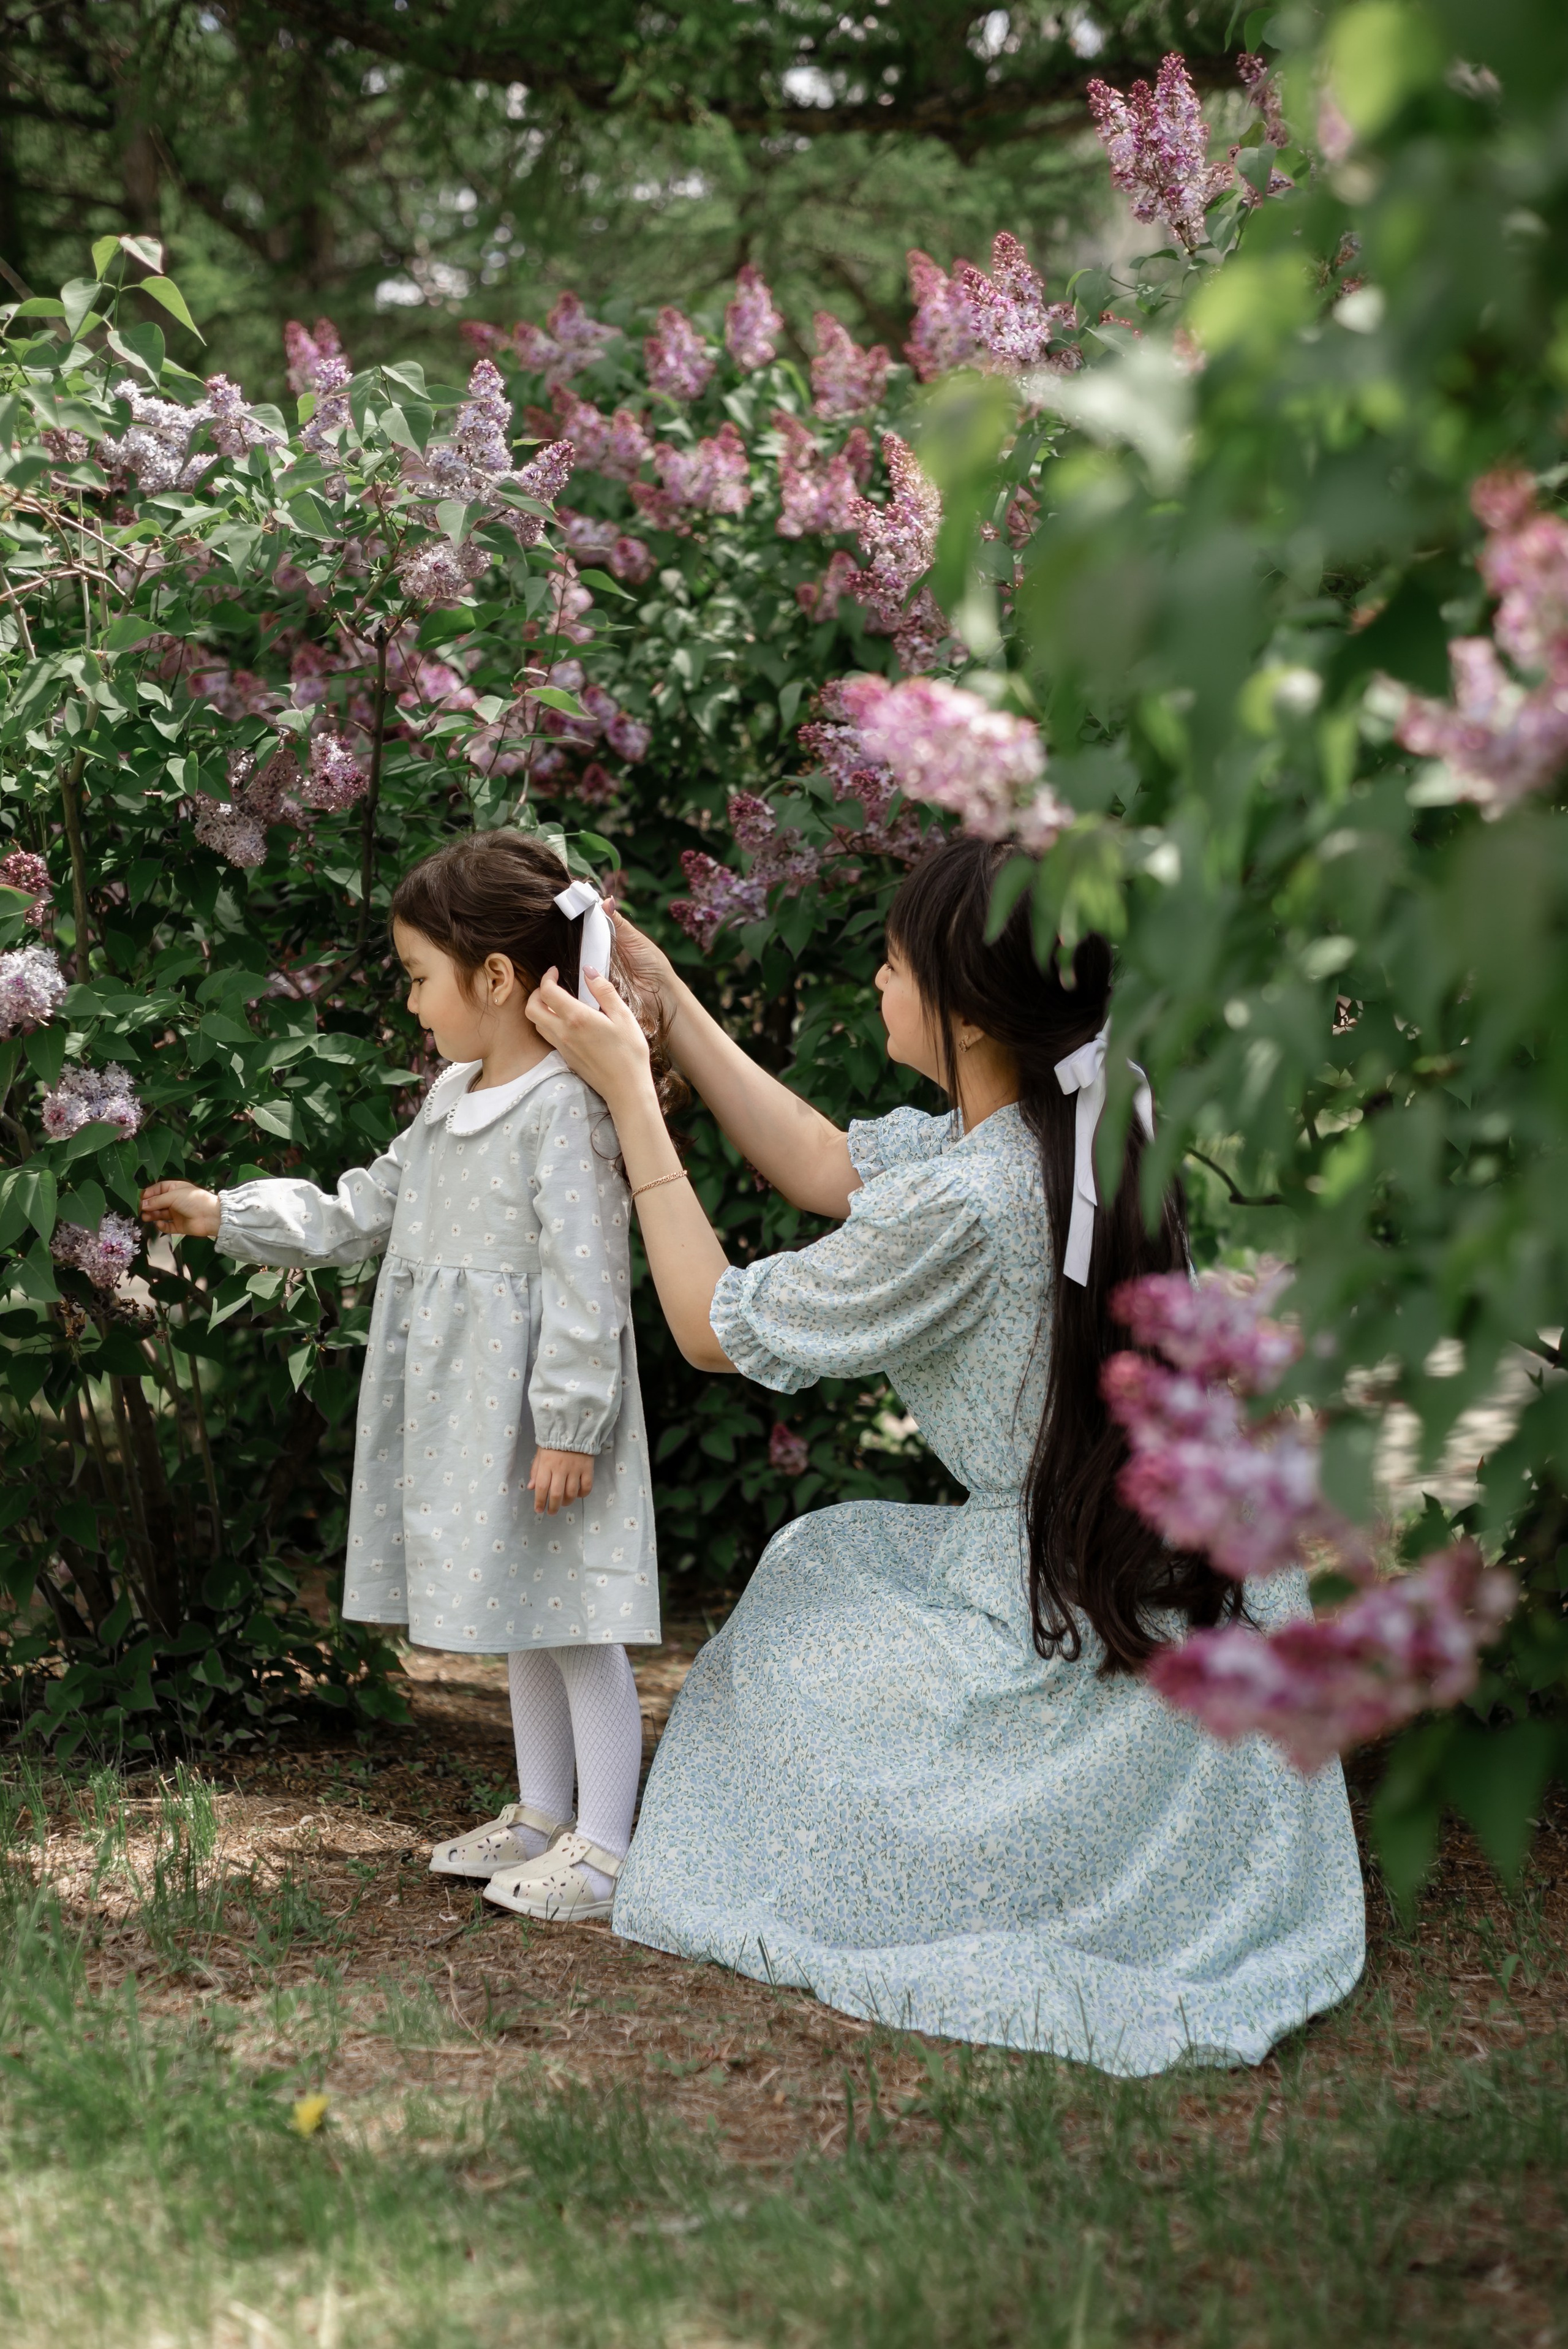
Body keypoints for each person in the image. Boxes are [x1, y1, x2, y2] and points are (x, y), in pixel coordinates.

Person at [524, 832, 1366, 2075]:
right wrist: (665, 991)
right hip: (1175, 1587)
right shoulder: (1064, 1131)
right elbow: (821, 1160)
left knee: (799, 1624)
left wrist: (629, 1097)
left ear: (965, 1009)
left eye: (892, 959)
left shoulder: (970, 1205)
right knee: (824, 1562)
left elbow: (708, 1326)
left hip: (1087, 1614)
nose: (874, 977)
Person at [140, 830, 659, 1924]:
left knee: (576, 1612)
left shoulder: (564, 1112)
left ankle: (607, 1846)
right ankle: (538, 1814)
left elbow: (588, 1277)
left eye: (421, 979)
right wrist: (226, 1215)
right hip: (471, 1404)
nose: (415, 1005)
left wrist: (572, 1420)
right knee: (528, 1606)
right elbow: (360, 1209)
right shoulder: (452, 1096)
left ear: (499, 977)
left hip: (536, 1409)